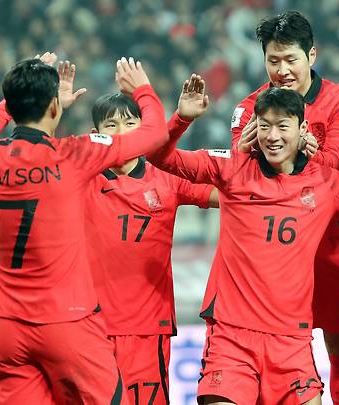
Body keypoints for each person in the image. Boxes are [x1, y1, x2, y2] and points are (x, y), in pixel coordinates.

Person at [0, 53, 169, 404]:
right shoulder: (73, 154)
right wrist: (144, 90)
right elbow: (155, 133)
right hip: (67, 322)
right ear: (54, 107)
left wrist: (15, 101)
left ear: (11, 105)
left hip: (9, 329)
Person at [148, 86, 339, 405]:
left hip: (291, 341)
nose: (272, 136)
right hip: (232, 338)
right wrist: (182, 119)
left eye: (282, 126)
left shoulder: (327, 181)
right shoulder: (231, 169)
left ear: (303, 128)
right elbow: (159, 157)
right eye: (264, 125)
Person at [233, 11, 339, 402]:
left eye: (291, 59)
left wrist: (310, 157)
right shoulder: (249, 107)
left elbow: (336, 162)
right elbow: (239, 172)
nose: (283, 70)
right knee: (272, 354)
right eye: (274, 61)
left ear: (312, 55)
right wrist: (245, 151)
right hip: (274, 254)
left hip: (330, 247)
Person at [85, 74, 218, 405]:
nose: (121, 132)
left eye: (130, 123)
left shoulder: (168, 178)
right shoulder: (80, 179)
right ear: (96, 135)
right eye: (111, 125)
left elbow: (230, 194)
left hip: (148, 326)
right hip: (90, 325)